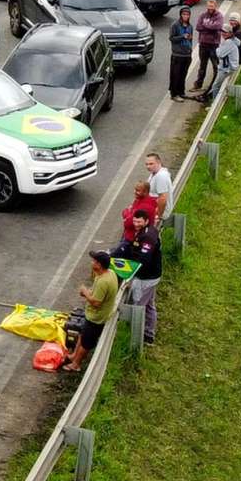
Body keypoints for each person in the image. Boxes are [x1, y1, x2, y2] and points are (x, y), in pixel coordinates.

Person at [63, 250, 119, 373]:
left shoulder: (104, 282)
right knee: (82, 335)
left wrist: (85, 293)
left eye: (94, 261)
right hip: (92, 315)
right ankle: (73, 356)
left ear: (99, 265)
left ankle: (76, 364)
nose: (91, 263)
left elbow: (96, 303)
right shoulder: (110, 274)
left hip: (96, 318)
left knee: (86, 343)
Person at [115, 209, 161, 344]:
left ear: (146, 221)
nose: (136, 224)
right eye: (135, 221)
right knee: (149, 304)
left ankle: (138, 339)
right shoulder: (145, 231)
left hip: (146, 277)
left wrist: (130, 275)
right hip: (151, 275)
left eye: (139, 221)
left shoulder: (148, 236)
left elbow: (144, 259)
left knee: (138, 305)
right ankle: (148, 333)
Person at [190, 0, 225, 95]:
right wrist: (210, 27)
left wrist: (206, 26)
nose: (210, 7)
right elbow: (198, 27)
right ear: (207, 6)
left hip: (214, 45)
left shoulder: (219, 16)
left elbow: (217, 27)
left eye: (212, 6)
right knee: (202, 66)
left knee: (216, 65)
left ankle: (216, 84)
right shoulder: (202, 15)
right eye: (209, 6)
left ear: (215, 6)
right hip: (203, 44)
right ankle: (198, 84)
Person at [201, 27, 241, 102]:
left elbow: (220, 54)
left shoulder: (229, 42)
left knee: (216, 86)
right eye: (222, 31)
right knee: (217, 85)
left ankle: (214, 103)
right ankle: (215, 100)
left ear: (230, 33)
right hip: (230, 67)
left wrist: (217, 49)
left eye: (225, 32)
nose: (223, 33)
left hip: (227, 69)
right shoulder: (231, 41)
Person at [168, 6, 194, 102]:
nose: (186, 16)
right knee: (175, 75)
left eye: (187, 14)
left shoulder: (190, 26)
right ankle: (174, 94)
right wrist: (182, 37)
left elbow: (191, 39)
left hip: (187, 55)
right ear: (180, 15)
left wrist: (190, 50)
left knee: (183, 75)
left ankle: (181, 92)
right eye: (184, 14)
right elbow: (172, 38)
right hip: (177, 55)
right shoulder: (175, 25)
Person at [144, 153, 172, 222]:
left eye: (151, 164)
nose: (148, 167)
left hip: (159, 212)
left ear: (159, 162)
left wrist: (158, 216)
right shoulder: (155, 173)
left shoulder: (161, 176)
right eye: (146, 164)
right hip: (153, 206)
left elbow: (163, 199)